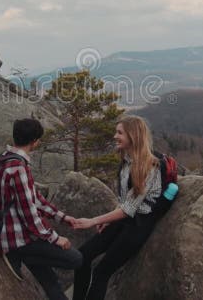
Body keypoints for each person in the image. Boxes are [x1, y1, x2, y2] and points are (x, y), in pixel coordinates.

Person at [71, 116, 176, 300]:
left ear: (133, 136)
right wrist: (108, 221)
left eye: (119, 133)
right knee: (82, 256)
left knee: (101, 272)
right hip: (124, 220)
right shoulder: (127, 161)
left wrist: (93, 221)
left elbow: (129, 208)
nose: (114, 136)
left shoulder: (149, 166)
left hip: (138, 225)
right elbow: (124, 201)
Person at [0, 118, 83, 300]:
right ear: (35, 141)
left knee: (51, 283)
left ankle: (25, 256)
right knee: (76, 259)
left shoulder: (8, 158)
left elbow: (35, 199)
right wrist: (55, 238)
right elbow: (29, 214)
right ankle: (17, 255)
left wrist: (63, 218)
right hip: (18, 238)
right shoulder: (17, 167)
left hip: (21, 233)